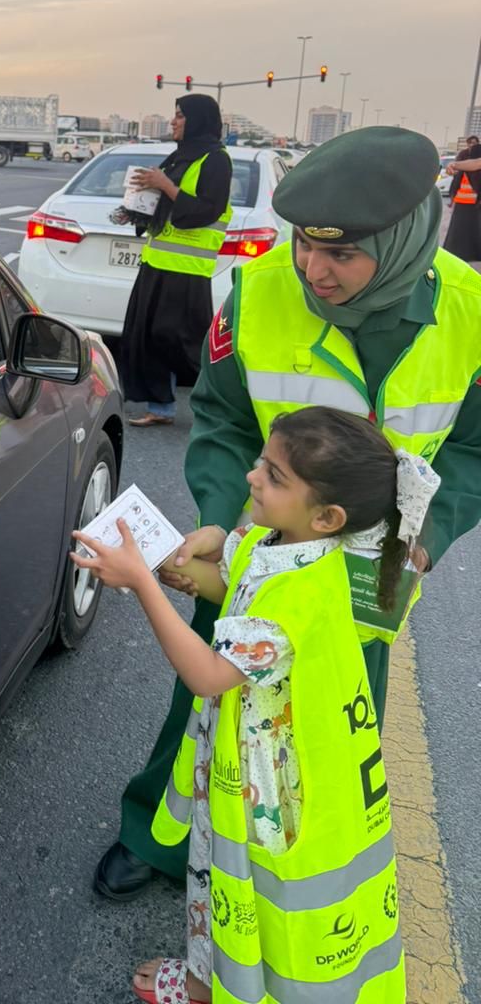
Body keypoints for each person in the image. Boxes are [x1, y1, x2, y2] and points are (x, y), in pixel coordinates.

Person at [95, 125, 481, 901]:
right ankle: (158, 838)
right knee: (203, 708)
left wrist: (431, 535)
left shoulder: (470, 311)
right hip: (256, 557)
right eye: (305, 243)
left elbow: (472, 448)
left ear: (403, 242)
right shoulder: (259, 291)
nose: (313, 269)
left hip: (368, 582)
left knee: (331, 727)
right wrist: (221, 517)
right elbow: (222, 419)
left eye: (343, 254)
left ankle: (283, 870)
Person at [73, 407, 430, 1003]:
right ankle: (206, 977)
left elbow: (209, 674)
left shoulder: (301, 595)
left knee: (234, 890)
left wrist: (140, 583)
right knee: (217, 879)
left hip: (263, 788)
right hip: (247, 761)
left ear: (327, 517)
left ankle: (210, 985)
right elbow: (235, 589)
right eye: (261, 461)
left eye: (273, 475)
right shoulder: (282, 542)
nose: (252, 477)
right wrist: (184, 566)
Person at [115, 95, 232, 427]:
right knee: (148, 338)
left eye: (180, 115)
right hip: (157, 264)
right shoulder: (179, 156)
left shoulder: (216, 160)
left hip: (188, 270)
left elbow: (207, 209)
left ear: (198, 119)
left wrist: (165, 185)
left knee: (186, 345)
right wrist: (133, 211)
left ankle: (226, 406)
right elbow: (162, 206)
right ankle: (160, 408)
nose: (173, 121)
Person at [443, 134, 481, 265]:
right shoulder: (464, 156)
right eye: (470, 143)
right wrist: (455, 164)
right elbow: (477, 163)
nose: (472, 145)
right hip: (463, 201)